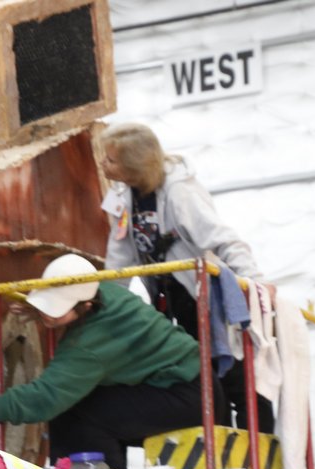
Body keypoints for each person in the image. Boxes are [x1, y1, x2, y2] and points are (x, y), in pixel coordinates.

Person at [0, 254, 228, 469]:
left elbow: (44, 398)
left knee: (77, 414)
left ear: (85, 307)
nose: (49, 316)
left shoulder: (90, 344)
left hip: (193, 397)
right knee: (79, 411)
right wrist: (43, 310)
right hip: (186, 383)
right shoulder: (100, 289)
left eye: (57, 310)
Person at [99, 122, 275, 433]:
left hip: (203, 296)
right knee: (203, 380)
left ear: (134, 165)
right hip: (168, 301)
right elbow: (119, 258)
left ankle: (258, 449)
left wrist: (254, 280)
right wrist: (104, 305)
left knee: (234, 376)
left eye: (111, 159)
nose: (103, 164)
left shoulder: (180, 192)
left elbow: (222, 238)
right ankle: (218, 446)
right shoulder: (122, 198)